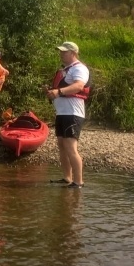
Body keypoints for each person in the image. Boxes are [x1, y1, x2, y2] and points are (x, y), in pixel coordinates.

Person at [46, 41, 90, 188]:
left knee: (71, 147)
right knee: (62, 146)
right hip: (62, 113)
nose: (61, 54)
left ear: (73, 53)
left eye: (64, 52)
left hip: (73, 113)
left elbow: (79, 86)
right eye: (61, 51)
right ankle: (67, 178)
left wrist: (58, 91)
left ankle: (78, 182)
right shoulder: (66, 69)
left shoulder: (79, 68)